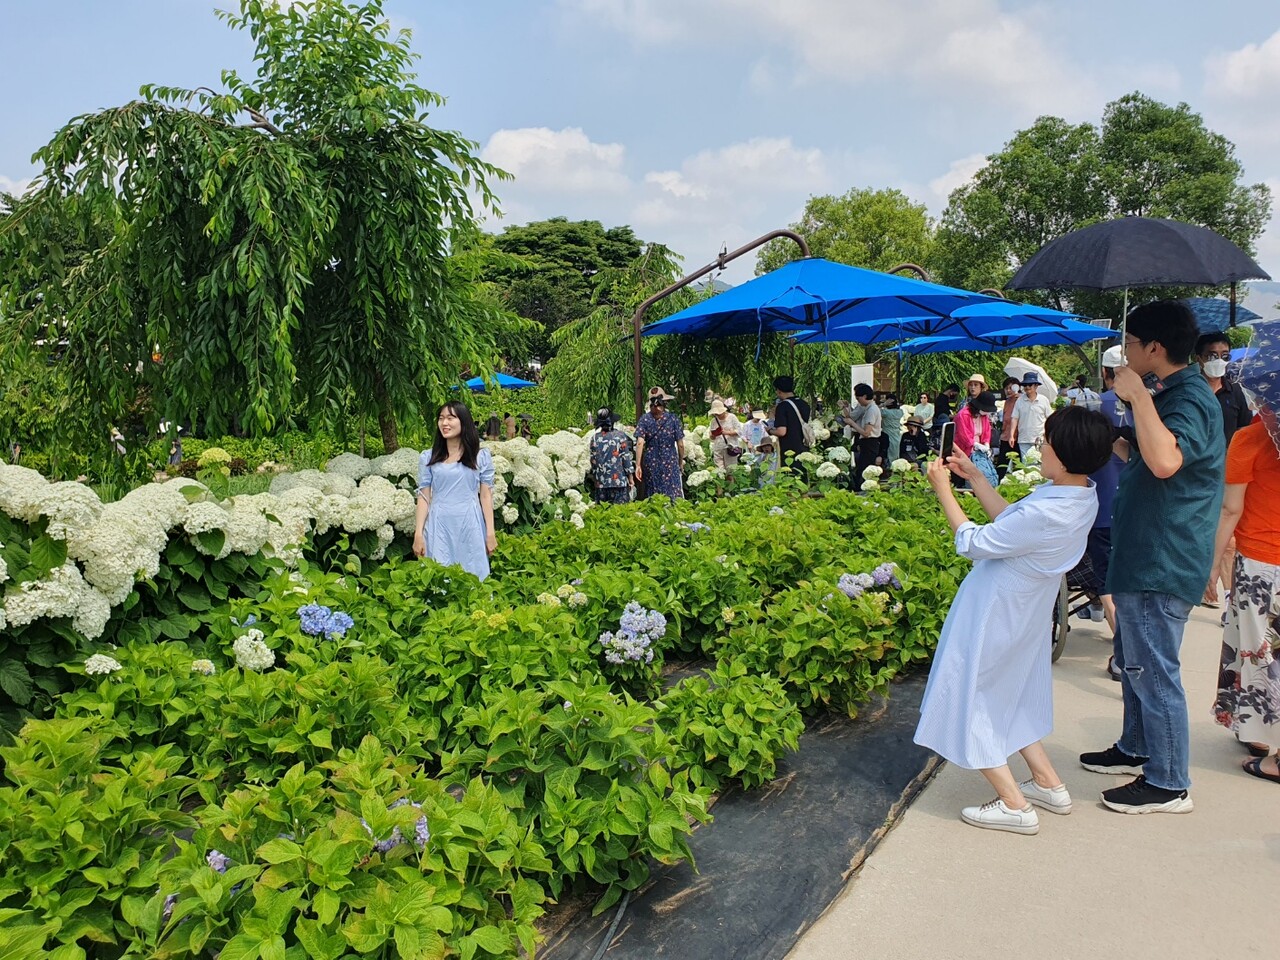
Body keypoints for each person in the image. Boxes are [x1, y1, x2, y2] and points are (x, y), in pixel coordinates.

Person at [915, 407, 1114, 834]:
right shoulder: (1079, 494)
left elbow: (975, 542)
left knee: (973, 694)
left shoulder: (1049, 509)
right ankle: (1047, 781)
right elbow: (1013, 523)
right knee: (1016, 691)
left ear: (1063, 455)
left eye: (1047, 443)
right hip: (1023, 612)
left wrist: (943, 489)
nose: (1040, 447)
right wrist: (976, 478)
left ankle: (1014, 803)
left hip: (996, 612)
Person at [1080, 300, 1224, 815]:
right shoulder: (1171, 396)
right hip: (1146, 552)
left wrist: (1137, 397)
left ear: (1154, 349)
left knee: (1152, 668)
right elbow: (1148, 451)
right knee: (1136, 661)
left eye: (1132, 343)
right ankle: (1137, 747)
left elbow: (1165, 461)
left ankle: (1168, 782)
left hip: (1164, 557)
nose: (1127, 353)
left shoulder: (1186, 398)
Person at [1208, 320, 1280, 783]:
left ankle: (1269, 748)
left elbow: (1231, 510)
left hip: (1259, 564)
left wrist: (1213, 564)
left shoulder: (1251, 440)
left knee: (1259, 656)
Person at [1198, 331, 1253, 607]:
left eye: (1224, 356)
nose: (1218, 361)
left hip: (1229, 472)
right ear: (1199, 359)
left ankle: (1229, 596)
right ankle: (1198, 583)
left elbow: (1245, 431)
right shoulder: (1190, 391)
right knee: (1197, 531)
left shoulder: (1236, 392)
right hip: (1195, 473)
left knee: (1228, 538)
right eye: (1211, 355)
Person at [414, 401, 496, 581]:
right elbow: (424, 496)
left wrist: (490, 532)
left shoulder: (479, 456)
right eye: (441, 418)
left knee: (473, 576)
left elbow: (485, 495)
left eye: (451, 418)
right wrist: (418, 533)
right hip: (439, 524)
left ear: (463, 422)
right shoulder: (429, 457)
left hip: (470, 524)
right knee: (439, 576)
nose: (445, 423)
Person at [1091, 345, 1132, 658]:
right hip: (1134, 507)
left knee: (1104, 579)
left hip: (1102, 505)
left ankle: (1124, 648)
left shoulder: (1096, 405)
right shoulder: (1149, 404)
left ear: (1105, 373)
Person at [635, 392, 685, 500]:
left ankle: (655, 512)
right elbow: (680, 444)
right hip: (670, 459)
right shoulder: (673, 419)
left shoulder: (644, 419)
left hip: (651, 459)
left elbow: (640, 442)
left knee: (653, 489)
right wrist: (680, 461)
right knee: (672, 489)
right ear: (665, 403)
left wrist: (638, 465)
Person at [588, 407, 634, 504]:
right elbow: (626, 459)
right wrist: (630, 478)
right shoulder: (620, 436)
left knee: (602, 513)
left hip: (601, 482)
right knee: (619, 513)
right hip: (618, 482)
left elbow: (593, 461)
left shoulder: (595, 438)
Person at [956, 391, 1000, 487]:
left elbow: (986, 431)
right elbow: (963, 435)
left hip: (977, 450)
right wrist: (976, 444)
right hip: (964, 449)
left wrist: (986, 444)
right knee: (966, 477)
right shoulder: (963, 415)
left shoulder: (984, 416)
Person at [768, 375, 810, 463]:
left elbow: (781, 431)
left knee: (790, 473)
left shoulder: (782, 406)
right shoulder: (804, 404)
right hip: (804, 446)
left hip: (789, 450)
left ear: (779, 390)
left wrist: (769, 430)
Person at [1010, 372, 1053, 458]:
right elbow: (1014, 418)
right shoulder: (1019, 400)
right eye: (1025, 385)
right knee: (1026, 465)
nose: (1027, 387)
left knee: (1039, 464)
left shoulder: (1043, 400)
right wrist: (1011, 435)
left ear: (1036, 386)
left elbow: (1049, 418)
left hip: (1040, 439)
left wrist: (1048, 435)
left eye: (1030, 384)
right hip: (1024, 439)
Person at [848, 383, 882, 478]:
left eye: (858, 399)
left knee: (864, 471)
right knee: (861, 469)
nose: (858, 401)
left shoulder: (871, 410)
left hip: (870, 442)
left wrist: (852, 423)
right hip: (866, 443)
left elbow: (867, 433)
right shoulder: (868, 409)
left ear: (865, 396)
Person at [707, 399, 743, 471]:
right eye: (715, 414)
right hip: (718, 449)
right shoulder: (714, 421)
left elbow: (739, 431)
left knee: (730, 471)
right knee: (720, 472)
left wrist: (727, 432)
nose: (717, 415)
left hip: (730, 448)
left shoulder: (732, 417)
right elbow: (711, 436)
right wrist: (713, 435)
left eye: (718, 413)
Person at [995, 377, 1021, 474]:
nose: (1008, 390)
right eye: (1006, 388)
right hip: (1005, 437)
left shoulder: (1021, 400)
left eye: (1011, 388)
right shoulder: (1007, 402)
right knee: (1002, 465)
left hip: (1018, 437)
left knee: (1018, 466)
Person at [881, 394, 904, 464]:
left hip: (887, 434)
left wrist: (883, 404)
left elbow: (874, 410)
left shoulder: (886, 412)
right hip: (897, 434)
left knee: (889, 454)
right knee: (896, 453)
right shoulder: (900, 412)